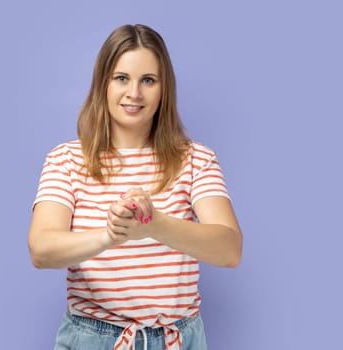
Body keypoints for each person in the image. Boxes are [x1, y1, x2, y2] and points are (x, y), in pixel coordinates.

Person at [28, 24, 242, 350]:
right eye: (121, 78)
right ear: (103, 84)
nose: (134, 93)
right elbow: (41, 250)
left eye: (148, 80)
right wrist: (111, 235)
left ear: (164, 88)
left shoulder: (197, 159)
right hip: (91, 339)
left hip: (178, 340)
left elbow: (230, 250)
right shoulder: (66, 160)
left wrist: (155, 225)